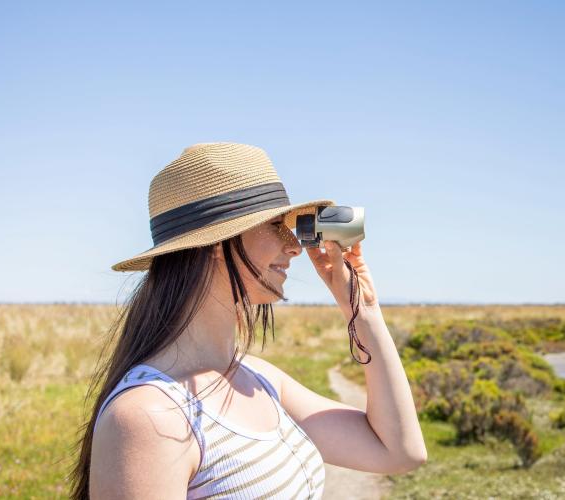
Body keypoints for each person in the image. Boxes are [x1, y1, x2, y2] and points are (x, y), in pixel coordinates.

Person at [70, 142, 427, 499]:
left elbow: (398, 451)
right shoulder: (148, 416)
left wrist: (362, 309)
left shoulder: (260, 380)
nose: (295, 247)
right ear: (213, 242)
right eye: (276, 226)